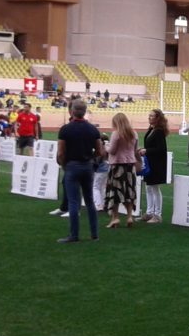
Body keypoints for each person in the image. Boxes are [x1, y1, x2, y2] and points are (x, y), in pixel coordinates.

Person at [56, 98, 104, 243]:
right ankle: (94, 234)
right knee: (89, 201)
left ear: (71, 111)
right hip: (87, 166)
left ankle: (74, 235)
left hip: (72, 166)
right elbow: (100, 151)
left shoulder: (65, 129)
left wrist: (64, 165)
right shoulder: (93, 129)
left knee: (73, 202)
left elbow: (60, 153)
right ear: (84, 112)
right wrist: (91, 159)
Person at [104, 112, 138, 228]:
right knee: (129, 191)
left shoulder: (116, 134)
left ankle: (115, 218)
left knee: (116, 192)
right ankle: (129, 216)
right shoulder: (134, 133)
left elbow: (112, 150)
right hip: (130, 166)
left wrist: (105, 146)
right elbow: (135, 150)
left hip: (117, 166)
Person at [137, 108, 169, 224]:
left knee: (155, 188)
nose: (149, 117)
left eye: (151, 116)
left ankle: (158, 215)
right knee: (148, 187)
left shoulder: (159, 131)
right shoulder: (151, 129)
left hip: (156, 164)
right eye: (149, 115)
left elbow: (161, 149)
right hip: (150, 163)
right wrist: (143, 149)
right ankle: (149, 212)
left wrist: (147, 150)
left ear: (157, 118)